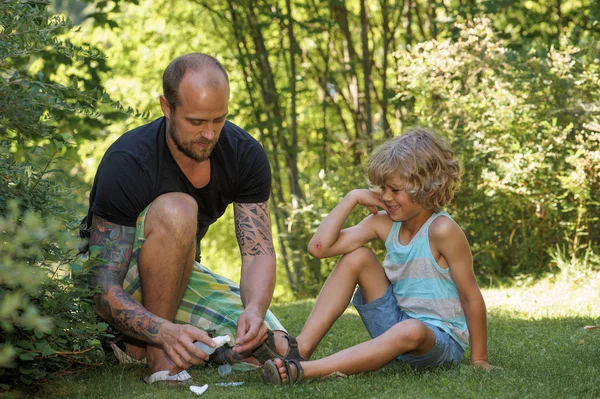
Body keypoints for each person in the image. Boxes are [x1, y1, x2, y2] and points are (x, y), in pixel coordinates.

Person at [80, 53, 301, 384]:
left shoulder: (245, 154)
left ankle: (152, 346)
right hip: (118, 276)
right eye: (197, 122)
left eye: (219, 120)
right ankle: (156, 355)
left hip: (172, 276)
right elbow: (100, 285)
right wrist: (162, 332)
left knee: (274, 346)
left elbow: (258, 250)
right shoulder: (128, 161)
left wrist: (254, 309)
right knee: (178, 208)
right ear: (166, 108)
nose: (210, 135)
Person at [262, 128, 495, 385]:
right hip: (396, 324)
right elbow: (319, 248)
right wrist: (351, 198)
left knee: (412, 329)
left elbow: (470, 295)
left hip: (438, 340)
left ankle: (306, 371)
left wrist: (479, 359)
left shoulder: (442, 230)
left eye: (394, 189)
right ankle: (300, 350)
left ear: (427, 189)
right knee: (357, 257)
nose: (384, 196)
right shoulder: (383, 223)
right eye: (382, 188)